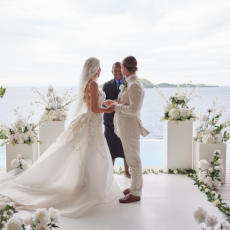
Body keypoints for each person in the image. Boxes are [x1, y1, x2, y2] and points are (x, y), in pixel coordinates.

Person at [0, 57, 122, 217]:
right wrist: (110, 110)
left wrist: (105, 103)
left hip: (92, 124)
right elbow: (93, 108)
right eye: (99, 68)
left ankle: (86, 184)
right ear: (94, 69)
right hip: (92, 124)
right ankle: (88, 187)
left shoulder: (90, 84)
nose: (100, 70)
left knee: (89, 154)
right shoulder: (92, 84)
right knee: (92, 154)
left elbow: (93, 102)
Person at [107, 56, 149, 203]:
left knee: (134, 161)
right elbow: (127, 103)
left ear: (125, 68)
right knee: (132, 160)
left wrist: (116, 107)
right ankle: (133, 187)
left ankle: (136, 193)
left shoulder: (134, 85)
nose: (120, 69)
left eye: (122, 67)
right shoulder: (129, 83)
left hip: (130, 128)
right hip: (125, 128)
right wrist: (115, 102)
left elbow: (134, 110)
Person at [103, 62, 131, 178]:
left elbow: (131, 103)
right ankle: (110, 173)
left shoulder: (129, 84)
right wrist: (110, 103)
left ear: (123, 71)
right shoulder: (106, 85)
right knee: (110, 149)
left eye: (119, 70)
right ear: (112, 71)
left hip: (124, 121)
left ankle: (127, 171)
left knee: (126, 148)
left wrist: (119, 103)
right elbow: (103, 103)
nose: (117, 72)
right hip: (110, 122)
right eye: (115, 70)